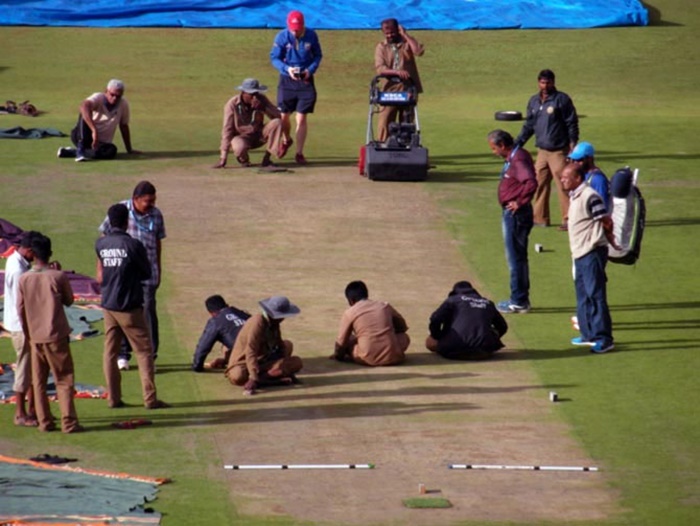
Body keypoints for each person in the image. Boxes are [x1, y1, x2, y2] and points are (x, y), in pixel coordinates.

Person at [96, 204, 169, 409]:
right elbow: (146, 273)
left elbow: (103, 270)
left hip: (108, 305)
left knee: (110, 352)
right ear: (127, 221)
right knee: (144, 351)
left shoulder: (101, 244)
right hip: (130, 306)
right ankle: (150, 399)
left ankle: (113, 398)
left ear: (110, 222)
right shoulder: (133, 245)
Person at [17, 233, 83, 433]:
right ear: (50, 253)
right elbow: (69, 300)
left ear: (33, 254)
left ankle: (44, 422)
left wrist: (28, 332)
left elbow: (20, 309)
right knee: (64, 379)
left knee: (38, 381)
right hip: (56, 335)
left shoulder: (24, 278)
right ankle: (69, 422)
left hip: (35, 336)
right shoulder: (57, 276)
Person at [99, 181, 165, 370]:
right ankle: (122, 354)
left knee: (148, 311)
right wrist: (101, 269)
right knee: (123, 312)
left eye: (153, 200)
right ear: (135, 199)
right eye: (148, 201)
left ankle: (150, 354)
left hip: (147, 273)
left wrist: (158, 269)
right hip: (122, 273)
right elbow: (104, 240)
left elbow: (158, 243)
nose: (151, 204)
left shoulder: (156, 215)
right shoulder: (120, 212)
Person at [561, 163, 618, 353]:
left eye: (566, 177)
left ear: (578, 179)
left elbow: (606, 220)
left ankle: (604, 338)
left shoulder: (590, 196)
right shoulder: (575, 196)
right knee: (583, 295)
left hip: (592, 252)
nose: (562, 180)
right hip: (579, 252)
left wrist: (612, 241)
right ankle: (588, 334)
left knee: (596, 295)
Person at [515, 69, 579, 230]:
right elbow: (529, 125)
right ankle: (540, 218)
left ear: (553, 82)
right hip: (542, 151)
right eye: (542, 82)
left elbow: (571, 122)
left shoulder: (562, 100)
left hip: (559, 151)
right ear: (538, 82)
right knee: (538, 183)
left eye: (548, 82)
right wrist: (517, 145)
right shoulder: (534, 101)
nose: (545, 85)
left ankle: (568, 219)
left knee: (564, 185)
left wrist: (572, 145)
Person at [488, 129, 538, 314]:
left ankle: (518, 301)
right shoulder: (515, 157)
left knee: (515, 258)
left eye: (494, 148)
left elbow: (531, 182)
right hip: (514, 214)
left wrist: (520, 201)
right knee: (518, 257)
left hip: (516, 215)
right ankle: (521, 299)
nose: (494, 152)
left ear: (502, 145)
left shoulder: (519, 160)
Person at [270, 10, 323, 165]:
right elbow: (275, 58)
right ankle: (286, 140)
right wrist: (288, 69)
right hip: (287, 79)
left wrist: (309, 71)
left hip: (305, 80)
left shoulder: (311, 36)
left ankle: (299, 153)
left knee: (301, 117)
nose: (295, 31)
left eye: (298, 28)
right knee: (284, 115)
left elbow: (318, 55)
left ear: (303, 25)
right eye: (293, 28)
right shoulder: (282, 36)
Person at [225, 295, 303, 395]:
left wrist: (285, 367)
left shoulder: (274, 323)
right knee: (238, 376)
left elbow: (279, 345)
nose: (283, 319)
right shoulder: (258, 321)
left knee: (295, 359)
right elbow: (251, 350)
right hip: (244, 363)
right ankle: (267, 380)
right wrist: (253, 377)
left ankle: (262, 379)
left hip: (264, 361)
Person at [57, 79, 140, 162]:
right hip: (83, 136)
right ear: (106, 91)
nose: (115, 98)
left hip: (101, 143)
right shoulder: (98, 97)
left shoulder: (123, 104)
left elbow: (124, 126)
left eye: (118, 96)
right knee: (84, 112)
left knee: (112, 151)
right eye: (112, 95)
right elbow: (84, 106)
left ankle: (73, 152)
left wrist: (129, 149)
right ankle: (80, 147)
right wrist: (94, 130)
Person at [3, 231, 38, 427]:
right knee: (24, 368)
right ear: (29, 250)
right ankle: (20, 413)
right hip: (21, 325)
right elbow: (21, 303)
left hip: (17, 323)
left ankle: (32, 409)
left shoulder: (15, 261)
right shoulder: (18, 270)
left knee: (30, 368)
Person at [331, 280, 410, 366]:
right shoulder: (384, 306)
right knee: (404, 337)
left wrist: (338, 356)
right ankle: (391, 352)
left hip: (366, 357)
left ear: (351, 301)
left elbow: (341, 342)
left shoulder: (350, 312)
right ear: (366, 294)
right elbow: (402, 327)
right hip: (393, 356)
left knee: (350, 339)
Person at [213, 78, 285, 169]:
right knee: (239, 147)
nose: (255, 97)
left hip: (259, 134)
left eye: (256, 93)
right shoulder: (232, 104)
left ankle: (267, 158)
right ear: (243, 93)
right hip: (241, 136)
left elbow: (278, 116)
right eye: (251, 94)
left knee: (277, 123)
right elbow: (227, 130)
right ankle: (244, 160)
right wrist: (223, 157)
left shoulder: (261, 99)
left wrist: (264, 108)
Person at [426, 281, 508, 360]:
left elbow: (435, 319)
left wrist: (437, 336)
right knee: (490, 331)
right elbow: (502, 326)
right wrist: (492, 338)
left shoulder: (453, 300)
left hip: (453, 349)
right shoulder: (488, 303)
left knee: (430, 341)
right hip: (485, 350)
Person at [374, 18, 425, 142]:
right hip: (389, 90)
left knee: (406, 123)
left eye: (392, 32)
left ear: (398, 30)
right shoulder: (381, 47)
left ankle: (406, 148)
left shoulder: (406, 43)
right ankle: (383, 146)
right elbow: (380, 68)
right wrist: (396, 72)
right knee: (385, 122)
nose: (390, 35)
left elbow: (418, 51)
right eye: (387, 33)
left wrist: (405, 35)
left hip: (408, 89)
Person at [191, 295, 251, 372]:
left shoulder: (215, 321)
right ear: (226, 305)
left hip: (249, 356)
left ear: (212, 313)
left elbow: (203, 346)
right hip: (266, 351)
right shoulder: (242, 313)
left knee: (225, 347)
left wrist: (197, 366)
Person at [568, 141, 611, 212]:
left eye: (579, 160)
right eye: (573, 160)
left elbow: (602, 207)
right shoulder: (582, 174)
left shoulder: (598, 179)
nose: (575, 163)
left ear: (589, 159)